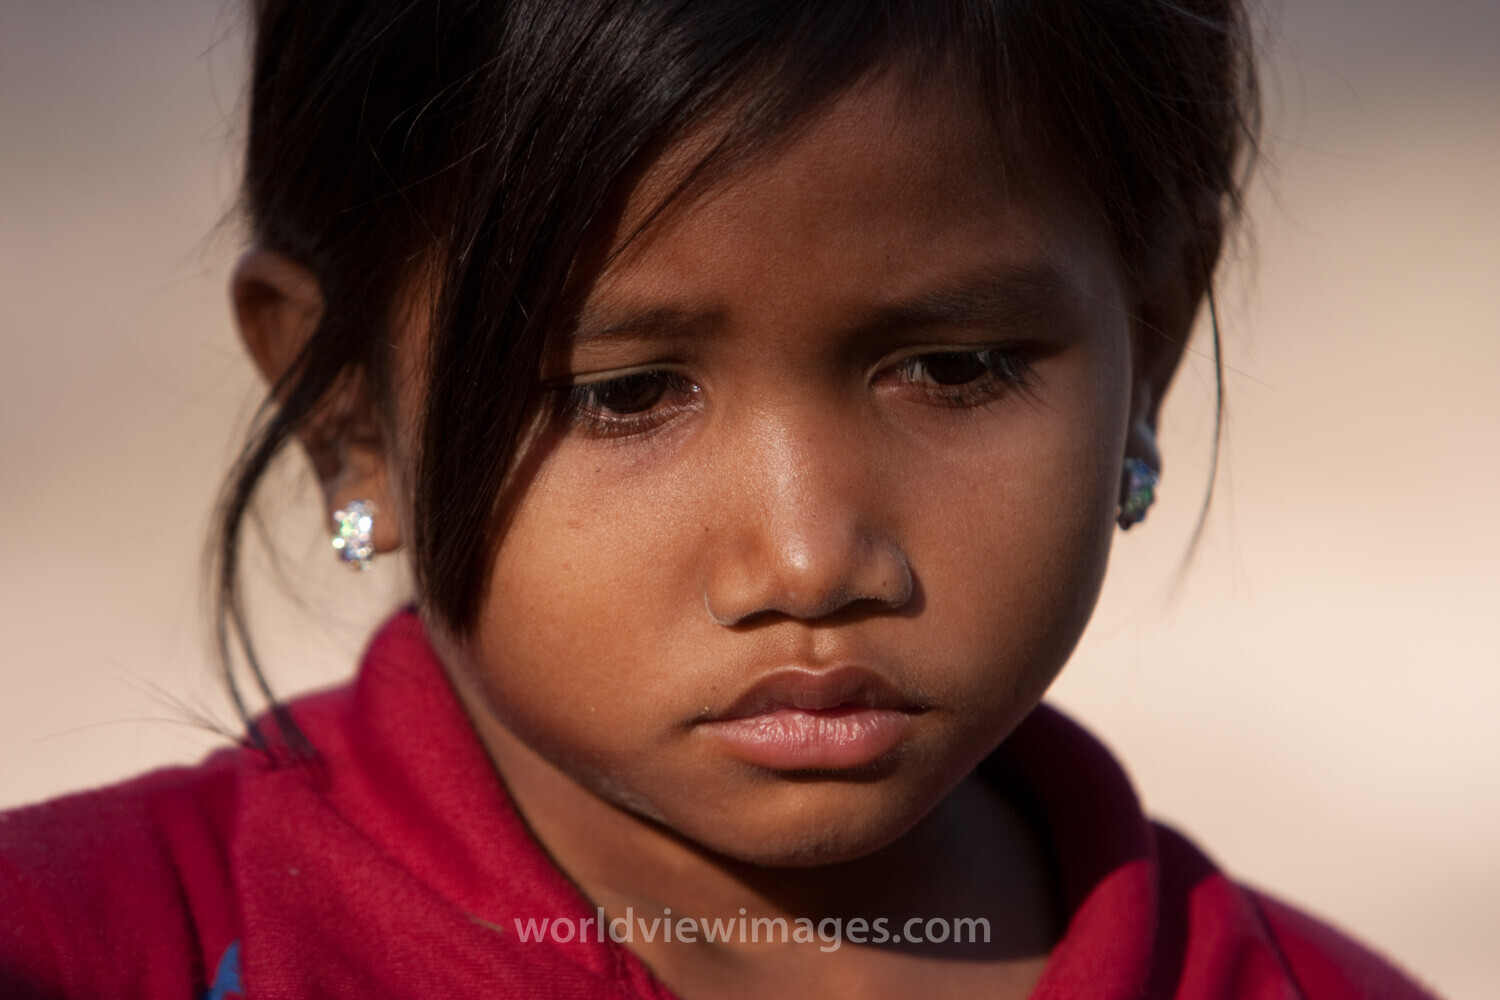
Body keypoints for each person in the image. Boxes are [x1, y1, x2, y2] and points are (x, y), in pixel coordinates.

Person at [0, 1, 1442, 997]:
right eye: (625, 394)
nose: (811, 558)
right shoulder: (90, 948)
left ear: (1149, 360)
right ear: (351, 417)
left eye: (953, 367)